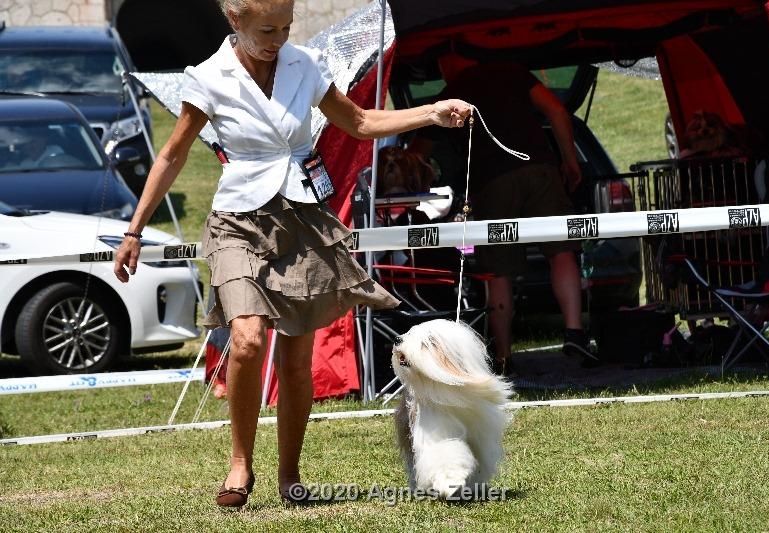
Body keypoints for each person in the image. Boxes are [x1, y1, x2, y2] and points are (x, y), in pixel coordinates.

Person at [112, 0, 470, 508]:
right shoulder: (208, 76)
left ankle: (289, 473)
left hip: (302, 217)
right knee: (246, 339)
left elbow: (360, 120)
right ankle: (240, 463)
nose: (278, 38)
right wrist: (134, 230)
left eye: (285, 26)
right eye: (266, 29)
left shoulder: (304, 65)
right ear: (234, 21)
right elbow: (172, 154)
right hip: (238, 220)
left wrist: (430, 111)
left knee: (298, 358)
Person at [411, 53, 598, 375]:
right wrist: (569, 161)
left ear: (448, 62)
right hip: (540, 169)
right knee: (561, 251)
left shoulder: (451, 93)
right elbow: (556, 109)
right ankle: (574, 332)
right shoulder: (513, 71)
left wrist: (421, 176)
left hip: (491, 184)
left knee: (498, 271)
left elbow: (415, 155)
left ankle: (504, 357)